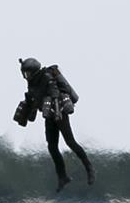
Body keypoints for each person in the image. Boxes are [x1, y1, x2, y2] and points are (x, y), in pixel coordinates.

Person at [14, 57, 96, 192]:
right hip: (48, 116)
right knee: (52, 147)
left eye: (27, 73)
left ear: (33, 71)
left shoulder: (46, 77)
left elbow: (55, 94)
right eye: (24, 73)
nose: (25, 76)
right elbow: (33, 98)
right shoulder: (32, 83)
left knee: (70, 142)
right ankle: (62, 177)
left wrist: (57, 113)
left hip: (59, 113)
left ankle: (89, 168)